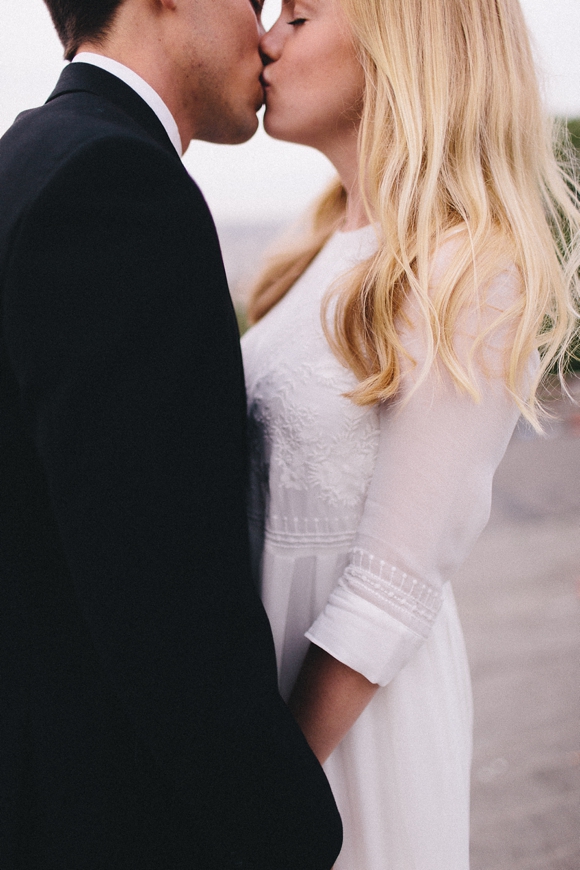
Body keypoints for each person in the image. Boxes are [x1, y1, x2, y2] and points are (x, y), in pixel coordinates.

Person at [0, 0, 343, 867]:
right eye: (253, 2)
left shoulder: (30, 156)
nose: (264, 33)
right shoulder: (117, 185)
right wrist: (291, 826)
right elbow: (161, 596)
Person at [241, 0, 580, 868]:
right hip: (256, 690)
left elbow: (396, 582)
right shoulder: (313, 249)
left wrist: (263, 787)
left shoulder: (471, 264)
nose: (265, 39)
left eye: (300, 16)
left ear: (401, 46)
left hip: (343, 724)